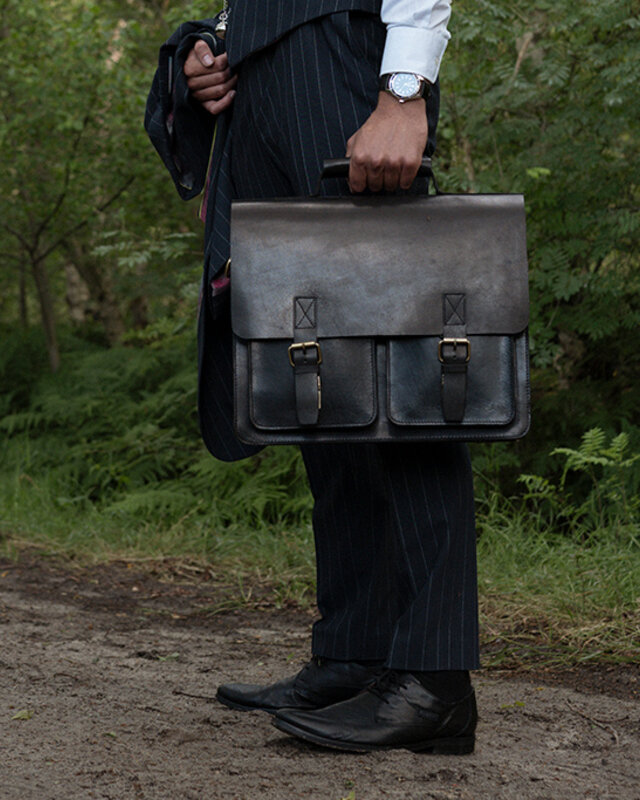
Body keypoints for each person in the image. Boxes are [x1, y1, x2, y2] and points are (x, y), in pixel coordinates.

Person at [146, 0, 479, 754]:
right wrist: (217, 42)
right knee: (316, 381)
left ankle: (436, 677)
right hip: (263, 82)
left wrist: (403, 92)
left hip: (340, 60)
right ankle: (354, 652)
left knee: (399, 372)